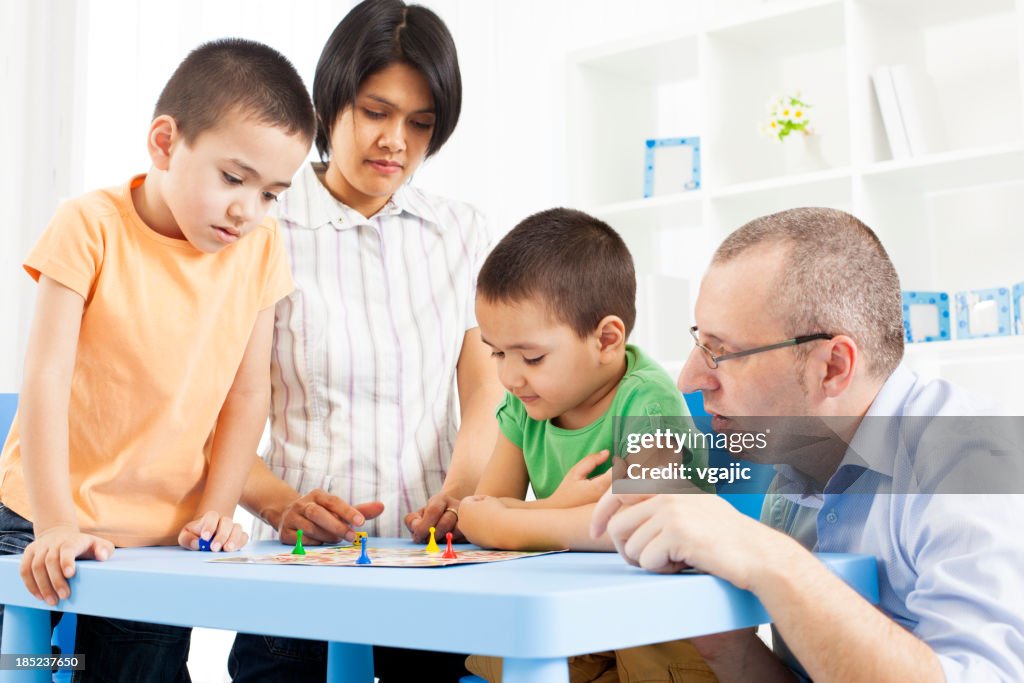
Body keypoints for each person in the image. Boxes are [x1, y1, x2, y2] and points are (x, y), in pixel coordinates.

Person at [591, 207, 1024, 682]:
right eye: (699, 342)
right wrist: (724, 643)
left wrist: (768, 556)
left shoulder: (973, 462)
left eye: (723, 352)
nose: (690, 379)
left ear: (832, 367)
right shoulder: (798, 466)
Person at [0, 38, 314, 681]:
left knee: (130, 671)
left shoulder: (261, 249)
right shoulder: (88, 224)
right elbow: (46, 374)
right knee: (21, 660)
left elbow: (247, 395)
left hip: (155, 542)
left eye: (271, 194)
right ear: (165, 143)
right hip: (35, 512)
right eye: (234, 178)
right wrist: (57, 523)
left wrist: (218, 512)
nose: (247, 210)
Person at [229, 1, 501, 681]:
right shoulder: (265, 231)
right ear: (331, 103)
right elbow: (220, 413)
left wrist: (460, 496)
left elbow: (487, 396)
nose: (396, 142)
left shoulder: (463, 233)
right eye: (376, 112)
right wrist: (278, 504)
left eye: (420, 123)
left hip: (433, 568)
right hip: (298, 573)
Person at [458, 208, 715, 683]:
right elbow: (481, 512)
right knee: (500, 650)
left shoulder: (648, 400)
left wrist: (513, 525)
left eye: (532, 357)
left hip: (658, 626)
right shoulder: (524, 405)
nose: (509, 376)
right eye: (496, 353)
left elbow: (640, 526)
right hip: (574, 615)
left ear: (607, 339)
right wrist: (551, 508)